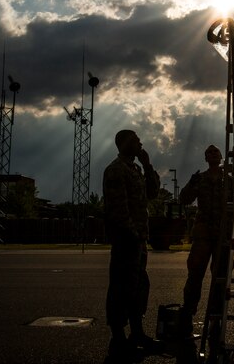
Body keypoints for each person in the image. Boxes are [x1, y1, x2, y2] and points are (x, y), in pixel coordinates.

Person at [103, 129, 162, 362]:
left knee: (138, 288)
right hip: (126, 240)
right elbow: (118, 210)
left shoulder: (135, 169)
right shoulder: (116, 170)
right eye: (136, 141)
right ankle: (118, 339)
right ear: (125, 144)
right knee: (120, 289)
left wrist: (147, 165)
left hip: (138, 241)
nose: (140, 144)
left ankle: (137, 334)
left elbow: (153, 193)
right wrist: (133, 235)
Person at [178, 145, 232, 336]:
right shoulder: (199, 179)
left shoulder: (229, 180)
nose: (213, 154)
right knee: (194, 276)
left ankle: (216, 319)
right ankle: (187, 315)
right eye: (209, 152)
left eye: (216, 151)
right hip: (202, 234)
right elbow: (183, 199)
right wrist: (191, 184)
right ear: (205, 158)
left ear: (221, 157)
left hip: (222, 236)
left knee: (220, 279)